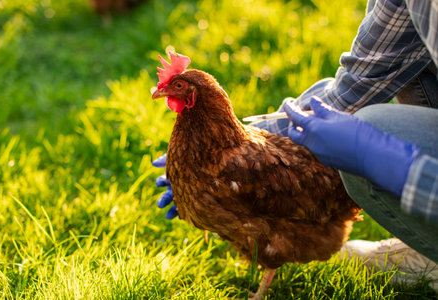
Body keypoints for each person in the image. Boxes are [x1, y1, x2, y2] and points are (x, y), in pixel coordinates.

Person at [153, 0, 438, 291]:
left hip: (312, 217)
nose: (161, 91)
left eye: (176, 87)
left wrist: (389, 161)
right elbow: (362, 78)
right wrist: (260, 137)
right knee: (413, 57)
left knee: (370, 133)